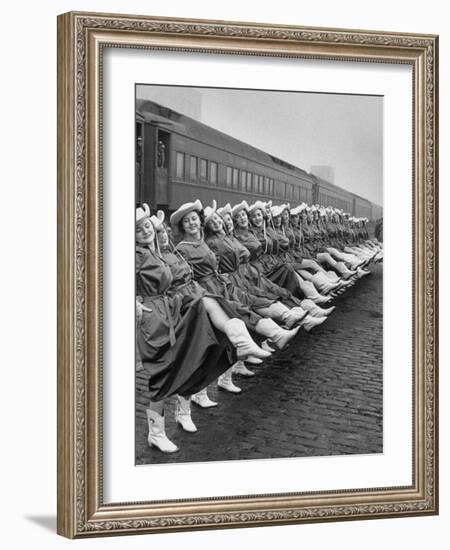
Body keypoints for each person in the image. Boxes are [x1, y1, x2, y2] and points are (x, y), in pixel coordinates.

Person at [136, 204, 270, 451]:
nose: (147, 232)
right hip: (154, 317)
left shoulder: (154, 253)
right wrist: (134, 300)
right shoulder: (136, 255)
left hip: (169, 310)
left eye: (149, 227)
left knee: (187, 357)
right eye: (140, 229)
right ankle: (156, 432)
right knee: (164, 371)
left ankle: (236, 337)